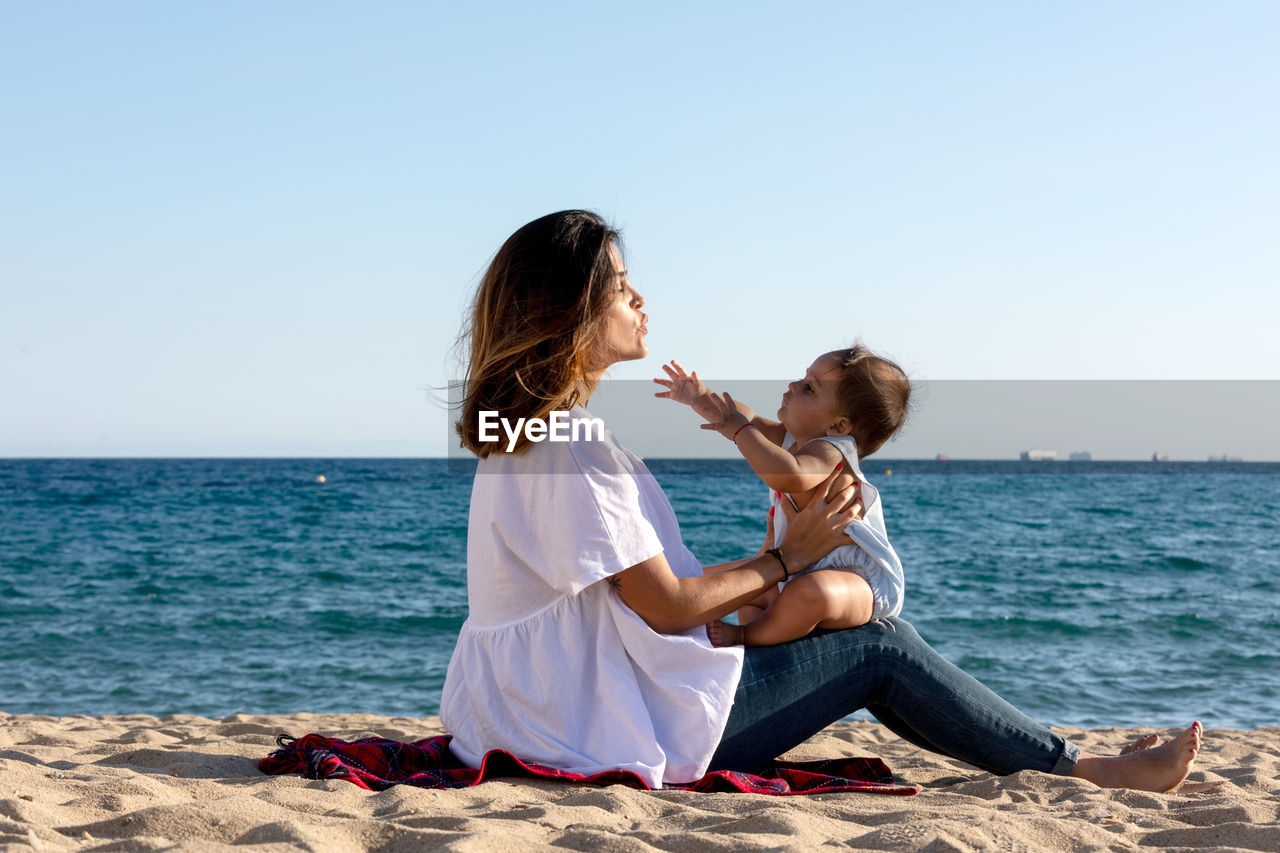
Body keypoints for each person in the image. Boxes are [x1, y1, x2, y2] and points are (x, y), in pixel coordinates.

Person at [439, 209, 1201, 791]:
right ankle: (1085, 769)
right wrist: (785, 558)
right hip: (598, 729)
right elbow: (668, 605)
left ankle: (1066, 758)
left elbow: (644, 607)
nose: (639, 295)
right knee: (877, 641)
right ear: (565, 313)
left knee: (852, 631)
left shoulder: (528, 439)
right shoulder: (569, 447)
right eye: (617, 284)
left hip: (538, 714)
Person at [653, 348, 909, 647]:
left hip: (858, 580)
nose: (793, 386)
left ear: (839, 426)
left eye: (809, 388)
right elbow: (743, 416)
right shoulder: (792, 439)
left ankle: (748, 635)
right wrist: (700, 396)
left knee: (814, 592)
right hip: (801, 566)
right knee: (754, 590)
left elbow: (787, 475)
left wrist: (740, 432)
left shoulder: (831, 450)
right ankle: (763, 636)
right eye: (802, 378)